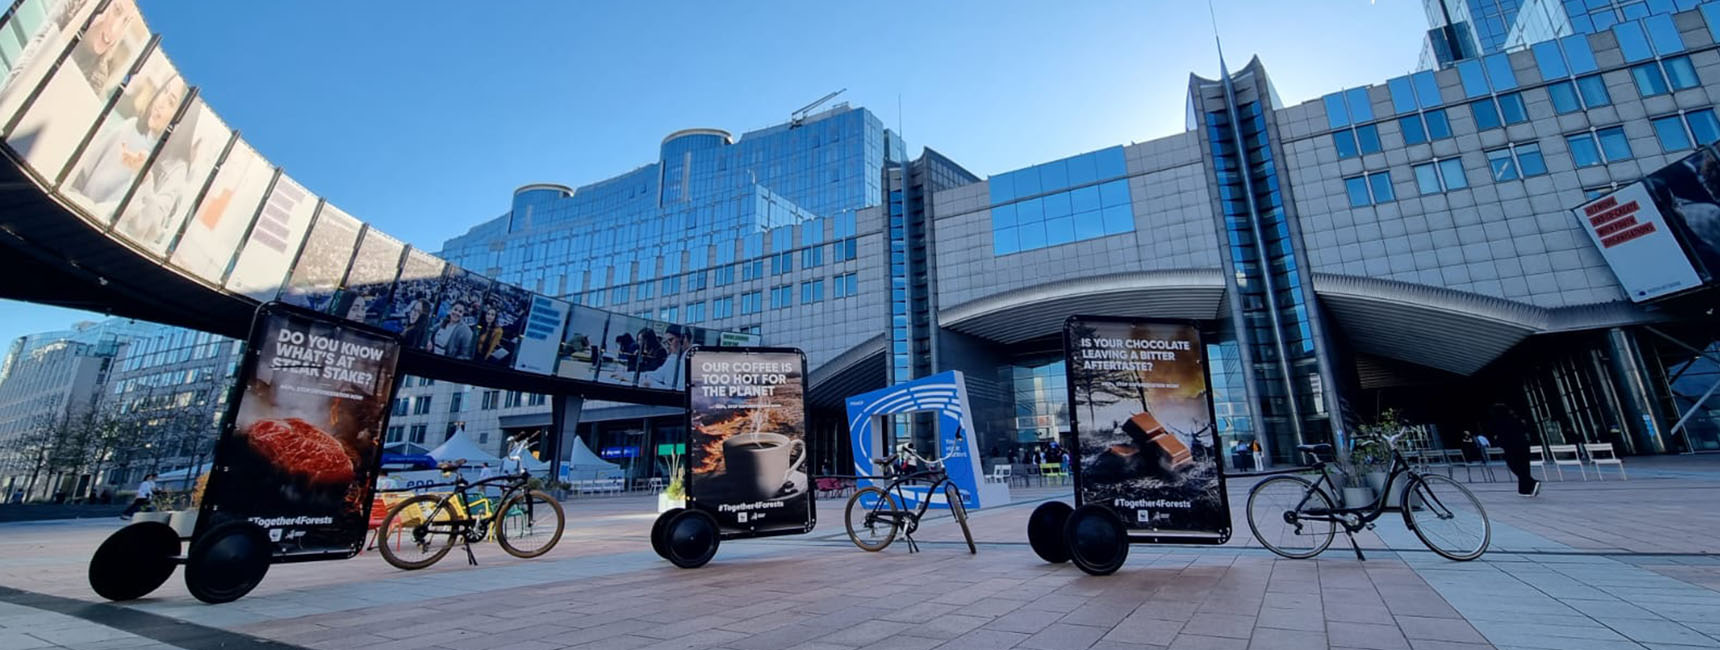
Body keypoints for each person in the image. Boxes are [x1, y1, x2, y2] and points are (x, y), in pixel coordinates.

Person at [1485, 403, 1540, 497]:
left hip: (1511, 446)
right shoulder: (1516, 419)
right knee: (1524, 466)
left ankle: (1531, 483)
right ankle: (1524, 489)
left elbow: (1498, 434)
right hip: (1523, 445)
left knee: (1514, 466)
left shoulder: (1499, 421)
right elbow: (1525, 429)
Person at [639, 325, 692, 389]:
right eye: (666, 342)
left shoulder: (694, 358)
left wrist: (651, 384)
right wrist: (629, 375)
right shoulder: (674, 357)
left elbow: (682, 391)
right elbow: (657, 374)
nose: (667, 345)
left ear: (684, 339)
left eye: (670, 340)